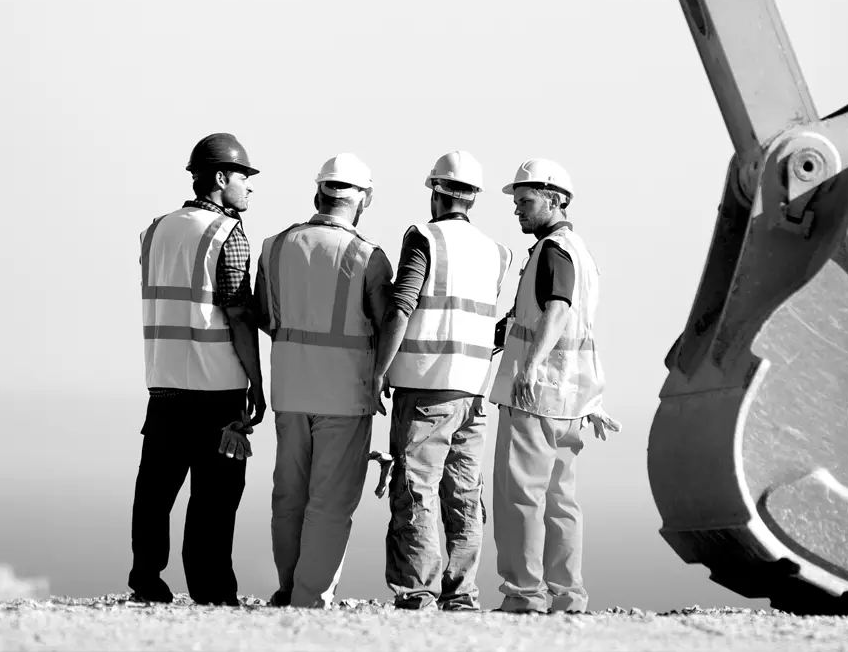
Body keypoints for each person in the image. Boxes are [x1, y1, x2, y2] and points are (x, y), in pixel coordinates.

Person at [370, 151, 512, 611]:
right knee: (464, 493)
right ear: (473, 198)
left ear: (435, 190)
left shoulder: (424, 237)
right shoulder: (498, 251)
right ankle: (462, 594)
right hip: (473, 391)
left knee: (416, 487)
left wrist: (378, 372)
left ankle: (418, 592)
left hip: (426, 386)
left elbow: (401, 306)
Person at [129, 132, 267, 607]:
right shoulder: (226, 234)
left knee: (155, 491)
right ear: (221, 177)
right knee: (215, 498)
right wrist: (257, 381)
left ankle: (146, 582)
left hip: (164, 383)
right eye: (244, 177)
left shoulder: (155, 229)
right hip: (216, 389)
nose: (249, 187)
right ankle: (211, 591)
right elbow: (239, 311)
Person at [253, 153, 394, 608]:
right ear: (364, 199)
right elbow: (385, 324)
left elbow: (263, 315)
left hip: (290, 390)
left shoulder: (273, 246)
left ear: (319, 192)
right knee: (329, 504)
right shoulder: (369, 257)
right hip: (345, 395)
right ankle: (310, 598)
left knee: (289, 496)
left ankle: (287, 586)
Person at [487, 158, 621, 615]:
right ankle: (567, 597)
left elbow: (558, 309)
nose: (518, 210)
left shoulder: (551, 250)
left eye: (526, 201)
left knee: (519, 496)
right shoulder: (581, 252)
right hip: (571, 401)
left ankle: (523, 595)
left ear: (555, 199)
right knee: (561, 502)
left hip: (535, 394)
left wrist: (529, 367)